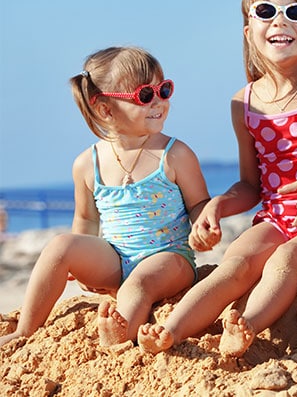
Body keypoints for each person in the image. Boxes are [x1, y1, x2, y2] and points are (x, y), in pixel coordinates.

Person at [138, 0, 297, 357]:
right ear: (249, 32)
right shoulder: (242, 103)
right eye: (266, 12)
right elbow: (252, 185)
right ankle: (170, 330)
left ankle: (249, 324)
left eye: (295, 12)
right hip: (277, 218)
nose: (280, 21)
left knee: (289, 256)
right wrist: (218, 205)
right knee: (237, 262)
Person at [0, 47, 210, 349]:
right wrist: (80, 261)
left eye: (164, 90)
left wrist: (204, 224)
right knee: (60, 246)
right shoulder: (88, 163)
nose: (160, 103)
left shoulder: (175, 154)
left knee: (140, 283)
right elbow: (85, 219)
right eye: (145, 96)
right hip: (115, 259)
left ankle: (120, 336)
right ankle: (25, 329)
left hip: (169, 259)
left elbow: (198, 203)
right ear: (106, 109)